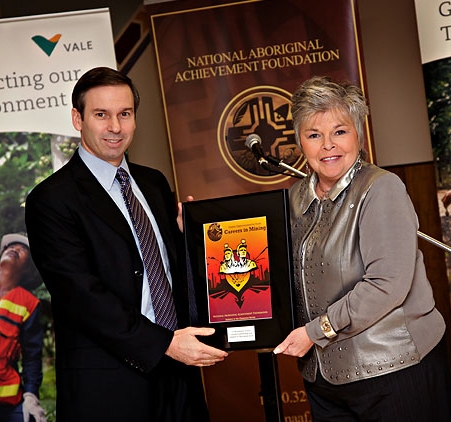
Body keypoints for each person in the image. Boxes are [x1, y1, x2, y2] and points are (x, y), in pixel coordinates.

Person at [24, 67, 228, 422]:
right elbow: (82, 296)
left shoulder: (153, 183)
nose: (115, 127)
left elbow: (167, 271)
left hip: (179, 376)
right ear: (78, 118)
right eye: (101, 115)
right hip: (110, 384)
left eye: (125, 114)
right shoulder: (51, 200)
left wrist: (188, 239)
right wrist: (163, 344)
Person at [273, 76, 451, 421]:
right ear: (299, 141)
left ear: (358, 134)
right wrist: (195, 231)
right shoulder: (291, 199)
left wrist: (314, 331)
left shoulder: (382, 188)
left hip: (394, 370)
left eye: (339, 132)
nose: (328, 145)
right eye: (314, 135)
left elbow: (386, 285)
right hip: (323, 379)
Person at [0, 233, 46, 422]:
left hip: (6, 402)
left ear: (27, 269)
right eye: (10, 247)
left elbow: (32, 356)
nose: (14, 249)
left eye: (22, 250)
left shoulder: (28, 304)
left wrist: (30, 396)